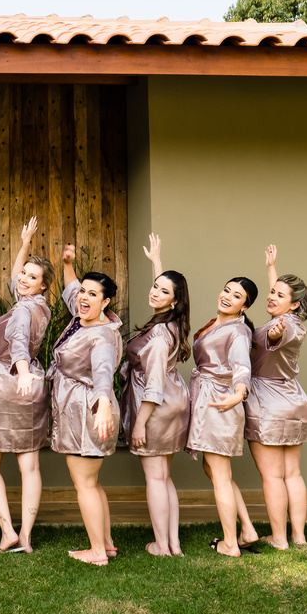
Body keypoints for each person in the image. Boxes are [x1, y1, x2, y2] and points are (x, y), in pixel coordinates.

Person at [0, 217, 54, 553]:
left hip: (9, 382)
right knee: (29, 465)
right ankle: (26, 537)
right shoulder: (41, 306)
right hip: (32, 385)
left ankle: (8, 531)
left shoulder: (21, 312)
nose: (23, 279)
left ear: (43, 285)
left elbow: (18, 342)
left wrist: (20, 369)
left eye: (32, 277)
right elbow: (15, 277)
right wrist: (24, 244)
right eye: (24, 275)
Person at [47, 244, 123, 566]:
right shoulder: (83, 319)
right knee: (91, 482)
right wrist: (68, 264)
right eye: (83, 292)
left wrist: (103, 405)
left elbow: (104, 371)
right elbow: (70, 291)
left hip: (88, 409)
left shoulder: (101, 335)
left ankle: (96, 552)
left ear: (106, 303)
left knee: (85, 484)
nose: (83, 297)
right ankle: (106, 544)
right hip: (81, 408)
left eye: (93, 294)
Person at [121, 234, 191, 556]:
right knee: (164, 476)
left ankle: (161, 545)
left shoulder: (161, 335)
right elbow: (166, 291)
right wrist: (157, 262)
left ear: (174, 301)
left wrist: (139, 423)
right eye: (155, 286)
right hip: (174, 402)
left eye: (164, 291)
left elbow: (153, 386)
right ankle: (173, 543)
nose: (155, 292)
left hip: (156, 406)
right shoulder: (172, 322)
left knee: (154, 477)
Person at [188, 275, 261, 557]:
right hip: (209, 399)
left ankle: (230, 544)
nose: (228, 297)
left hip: (221, 402)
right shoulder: (216, 323)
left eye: (236, 296)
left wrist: (239, 393)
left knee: (219, 474)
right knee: (214, 470)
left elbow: (242, 365)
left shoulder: (238, 331)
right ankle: (248, 529)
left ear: (245, 306)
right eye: (227, 290)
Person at [246, 244, 307, 550]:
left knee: (273, 476)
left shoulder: (283, 327)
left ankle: (279, 538)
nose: (271, 297)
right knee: (293, 474)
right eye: (271, 292)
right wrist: (272, 267)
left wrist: (274, 334)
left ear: (294, 304)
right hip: (294, 401)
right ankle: (299, 536)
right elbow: (281, 312)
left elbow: (277, 334)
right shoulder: (295, 322)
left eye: (279, 295)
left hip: (268, 404)